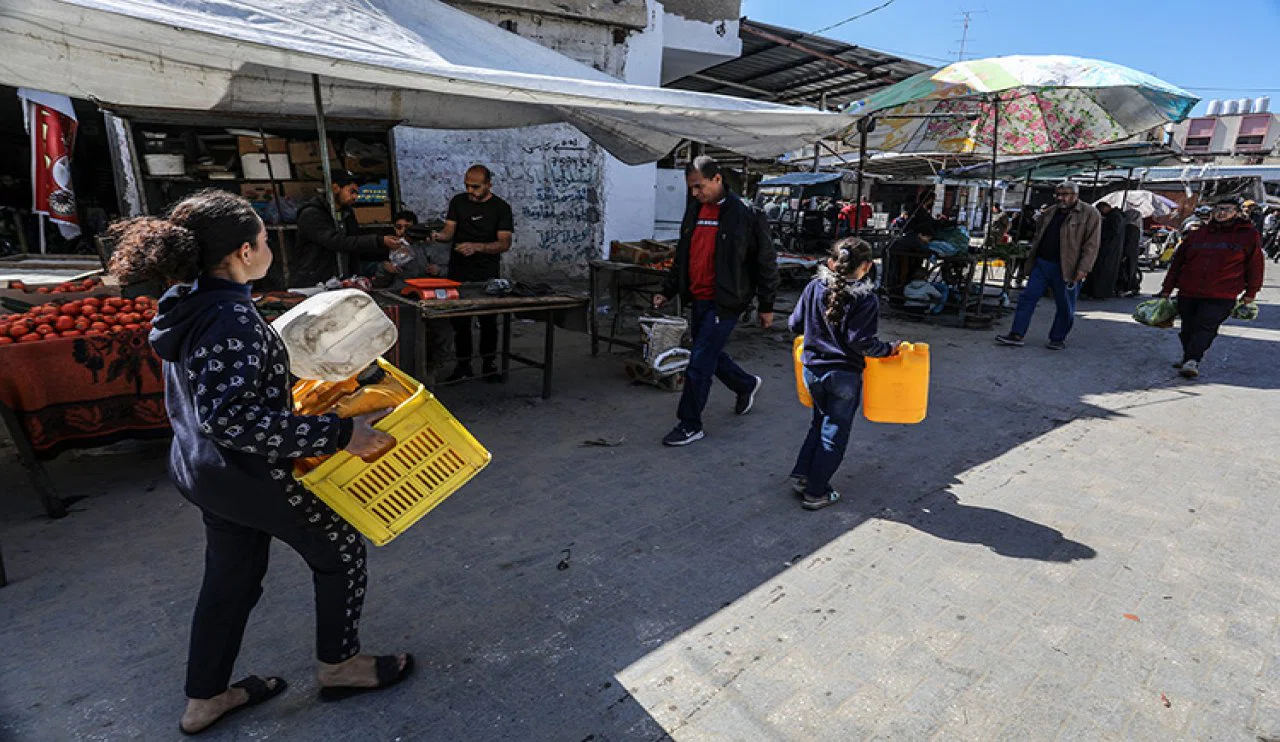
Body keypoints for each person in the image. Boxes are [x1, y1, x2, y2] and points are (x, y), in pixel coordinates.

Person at [104, 190, 413, 736]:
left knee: (231, 579)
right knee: (339, 551)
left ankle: (205, 698)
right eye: (267, 240)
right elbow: (233, 421)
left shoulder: (186, 302)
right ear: (245, 252)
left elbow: (221, 398)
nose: (270, 247)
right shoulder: (231, 320)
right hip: (248, 474)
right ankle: (340, 665)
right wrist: (341, 432)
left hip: (206, 474)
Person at [654, 156, 779, 447]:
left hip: (726, 301)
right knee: (706, 351)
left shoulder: (747, 214)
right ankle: (745, 384)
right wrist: (668, 289)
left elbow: (766, 262)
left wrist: (767, 305)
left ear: (718, 179)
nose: (695, 193)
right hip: (697, 297)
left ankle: (690, 423)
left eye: (699, 186)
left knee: (699, 362)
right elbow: (683, 256)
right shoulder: (694, 210)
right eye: (691, 189)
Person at [788, 239, 898, 510]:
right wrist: (888, 350)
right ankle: (816, 492)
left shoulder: (814, 287)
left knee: (818, 422)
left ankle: (802, 476)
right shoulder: (866, 299)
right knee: (834, 432)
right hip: (843, 376)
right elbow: (861, 341)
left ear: (830, 262)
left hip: (812, 370)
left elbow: (794, 325)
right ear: (867, 267)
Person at [1157, 195, 1263, 378]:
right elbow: (1178, 263)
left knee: (1206, 326)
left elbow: (1255, 265)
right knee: (1187, 328)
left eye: (1227, 210)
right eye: (1218, 209)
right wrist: (1167, 288)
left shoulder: (1248, 236)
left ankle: (1193, 360)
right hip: (1189, 290)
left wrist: (1251, 291)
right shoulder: (1198, 234)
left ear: (1237, 213)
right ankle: (1188, 356)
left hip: (1223, 293)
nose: (1221, 213)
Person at [426, 165, 514, 383]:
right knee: (460, 320)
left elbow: (504, 243)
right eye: (467, 186)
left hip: (486, 271)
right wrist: (435, 235)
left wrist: (477, 247)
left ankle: (488, 363)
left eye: (476, 187)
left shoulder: (501, 208)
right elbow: (448, 233)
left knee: (488, 320)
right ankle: (463, 364)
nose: (471, 191)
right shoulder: (458, 202)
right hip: (458, 270)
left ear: (488, 185)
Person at [996, 181, 1100, 350]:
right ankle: (1017, 334)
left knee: (1065, 304)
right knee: (1027, 298)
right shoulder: (1050, 212)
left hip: (1067, 266)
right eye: (1058, 194)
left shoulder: (1089, 214)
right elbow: (1038, 235)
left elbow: (1092, 244)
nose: (1060, 198)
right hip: (1043, 263)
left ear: (1075, 195)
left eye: (1065, 194)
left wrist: (1083, 268)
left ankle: (1057, 338)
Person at [294, 175, 400, 287]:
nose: (355, 197)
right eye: (352, 191)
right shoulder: (311, 214)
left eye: (357, 193)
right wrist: (379, 241)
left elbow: (355, 241)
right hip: (315, 280)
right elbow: (336, 241)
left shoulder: (347, 213)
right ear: (335, 188)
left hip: (342, 280)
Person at [1083, 202, 1124, 300]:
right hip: (1111, 249)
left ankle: (1099, 293)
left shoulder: (1115, 216)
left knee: (1102, 271)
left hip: (1108, 249)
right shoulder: (1115, 216)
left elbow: (1113, 231)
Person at [1118, 208, 1144, 297]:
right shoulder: (1135, 228)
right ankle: (1133, 287)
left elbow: (1129, 243)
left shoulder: (1130, 228)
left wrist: (1125, 254)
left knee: (1126, 270)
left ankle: (1127, 288)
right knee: (1131, 270)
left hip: (1128, 253)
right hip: (1133, 253)